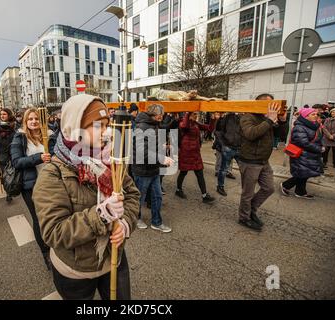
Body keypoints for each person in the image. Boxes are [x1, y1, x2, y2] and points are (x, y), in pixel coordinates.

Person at [33, 94, 139, 300]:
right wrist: (101, 215)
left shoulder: (112, 160)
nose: (107, 132)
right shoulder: (52, 174)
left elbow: (132, 194)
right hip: (75, 272)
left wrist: (126, 222)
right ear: (74, 129)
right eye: (97, 126)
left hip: (114, 258)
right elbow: (54, 232)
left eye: (107, 124)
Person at [11, 108, 52, 270]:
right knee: (39, 219)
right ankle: (46, 253)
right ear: (25, 122)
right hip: (31, 186)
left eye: (36, 119)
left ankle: (57, 245)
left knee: (54, 215)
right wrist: (38, 158)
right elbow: (17, 162)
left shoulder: (50, 134)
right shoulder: (19, 138)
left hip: (51, 183)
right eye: (30, 119)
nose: (34, 121)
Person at [237, 94, 280, 231]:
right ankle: (244, 218)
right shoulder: (247, 117)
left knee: (269, 188)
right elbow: (251, 134)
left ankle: (251, 210)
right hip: (250, 160)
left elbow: (281, 134)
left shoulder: (266, 117)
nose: (272, 106)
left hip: (263, 160)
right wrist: (269, 121)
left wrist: (282, 121)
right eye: (269, 104)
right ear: (259, 103)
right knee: (247, 193)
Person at [132, 104, 174, 233]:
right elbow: (141, 152)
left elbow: (151, 146)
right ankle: (136, 219)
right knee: (140, 197)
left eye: (162, 114)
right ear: (153, 115)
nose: (162, 117)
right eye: (160, 115)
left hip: (153, 169)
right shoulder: (141, 127)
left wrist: (164, 147)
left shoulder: (154, 124)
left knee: (157, 197)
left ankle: (157, 222)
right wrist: (161, 158)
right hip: (142, 170)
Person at [280, 108, 323, 199]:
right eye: (313, 114)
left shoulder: (314, 125)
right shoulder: (300, 127)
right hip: (301, 155)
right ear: (305, 116)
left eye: (316, 114)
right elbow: (303, 143)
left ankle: (300, 192)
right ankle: (286, 185)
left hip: (310, 155)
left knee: (304, 174)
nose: (316, 116)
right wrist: (319, 149)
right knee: (302, 174)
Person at [175, 112, 215, 203]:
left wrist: (213, 119)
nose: (196, 116)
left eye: (196, 114)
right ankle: (178, 189)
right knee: (183, 172)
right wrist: (188, 113)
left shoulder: (196, 124)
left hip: (195, 153)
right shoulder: (183, 123)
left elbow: (209, 128)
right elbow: (185, 126)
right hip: (186, 153)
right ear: (189, 115)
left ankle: (204, 195)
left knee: (200, 174)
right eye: (194, 114)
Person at [0, 108, 16, 202]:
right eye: (1, 114)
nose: (2, 116)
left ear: (9, 115)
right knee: (5, 174)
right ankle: (8, 193)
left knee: (14, 173)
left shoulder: (14, 125)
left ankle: (15, 187)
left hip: (13, 152)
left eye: (4, 114)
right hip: (1, 154)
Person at [215, 112, 241, 196]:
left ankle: (247, 190)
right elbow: (218, 131)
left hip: (239, 148)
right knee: (223, 169)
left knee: (244, 169)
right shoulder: (227, 117)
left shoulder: (243, 117)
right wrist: (223, 144)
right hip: (228, 147)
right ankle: (220, 186)